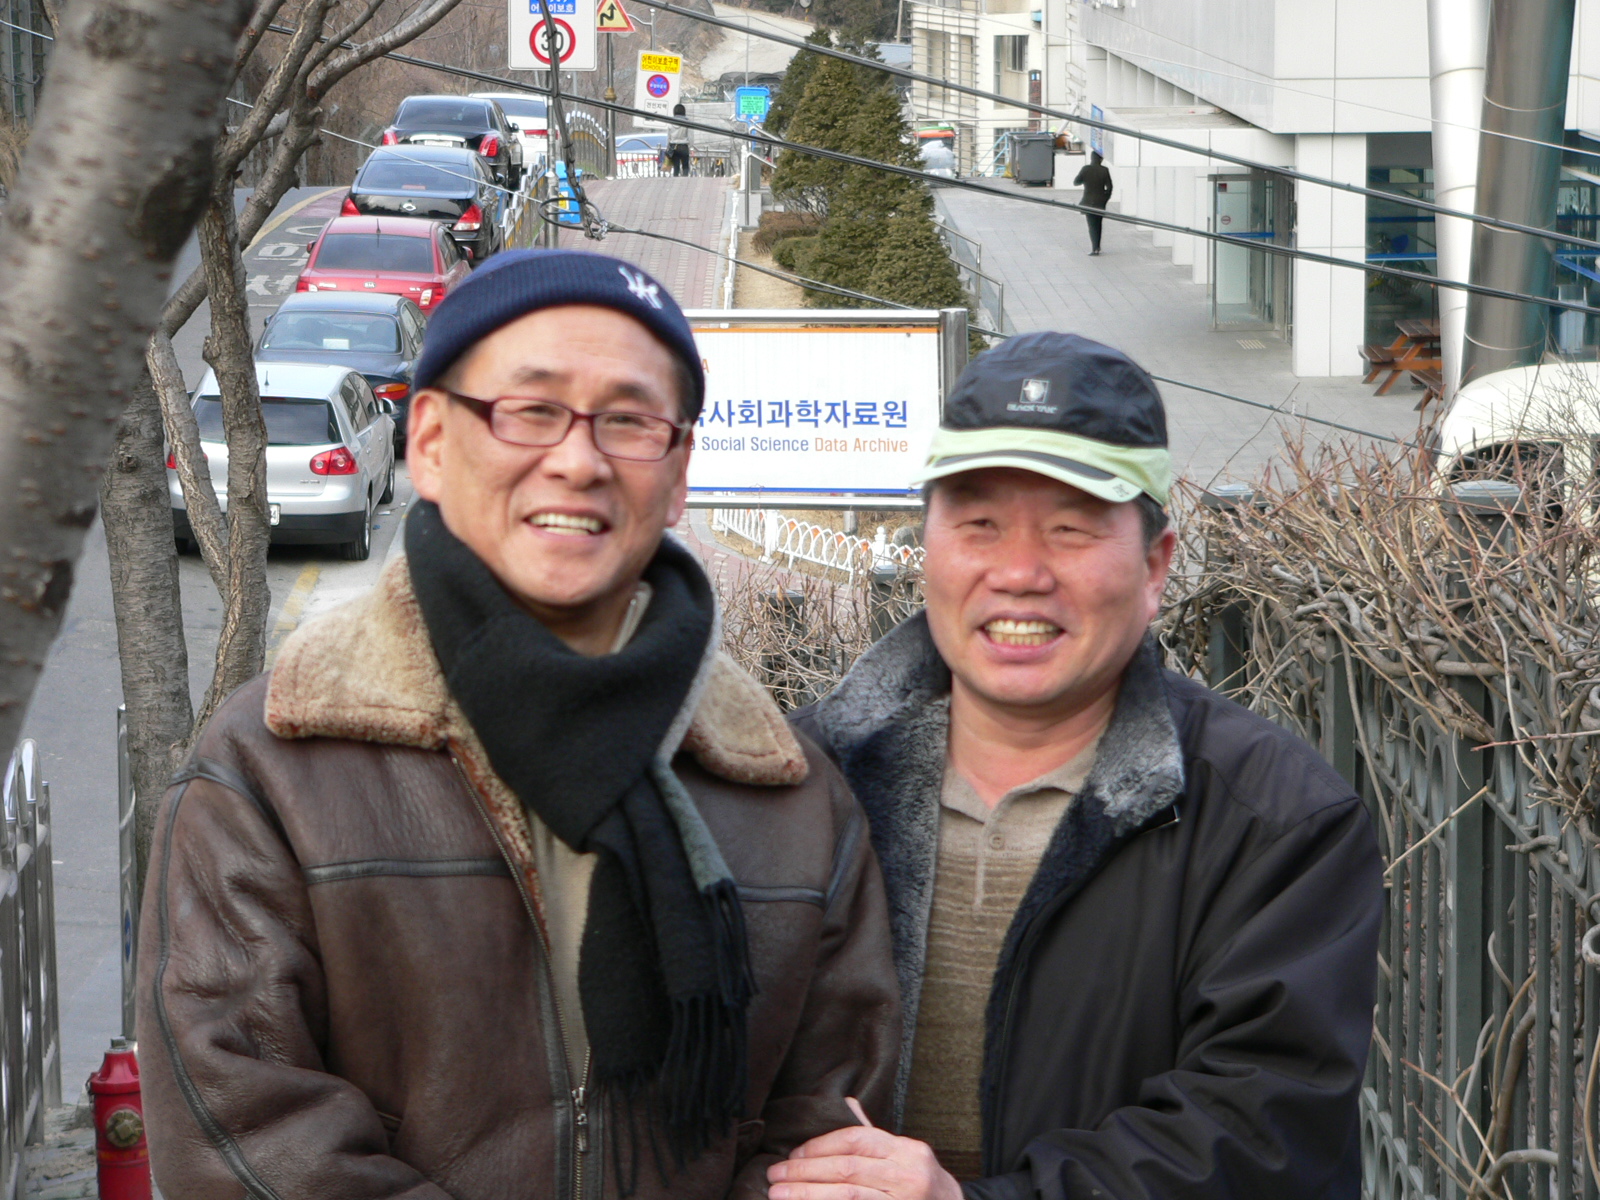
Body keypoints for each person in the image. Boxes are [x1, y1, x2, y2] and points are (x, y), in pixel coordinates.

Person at [137, 249, 901, 1200]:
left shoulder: (790, 793)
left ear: (677, 473)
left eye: (629, 421)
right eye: (530, 410)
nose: (577, 461)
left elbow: (828, 1142)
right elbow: (242, 1135)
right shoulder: (273, 767)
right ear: (430, 442)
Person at [775, 332, 1384, 1200]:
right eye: (979, 526)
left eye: (1071, 529)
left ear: (1155, 566)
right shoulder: (792, 786)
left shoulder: (1274, 822)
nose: (1020, 573)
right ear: (928, 547)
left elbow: (1261, 1141)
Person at [1072, 151, 1113, 255]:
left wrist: (1085, 179)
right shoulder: (1104, 170)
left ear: (1091, 158)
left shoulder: (1086, 169)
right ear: (1101, 159)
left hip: (1088, 201)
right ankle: (1097, 246)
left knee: (1091, 226)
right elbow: (1109, 187)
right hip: (1100, 202)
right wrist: (1105, 198)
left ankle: (1094, 248)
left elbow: (1076, 182)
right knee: (1098, 225)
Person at [668, 103, 691, 176]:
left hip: (673, 146)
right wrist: (690, 147)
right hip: (684, 146)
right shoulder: (687, 122)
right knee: (685, 166)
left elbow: (668, 137)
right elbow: (690, 136)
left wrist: (668, 147)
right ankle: (685, 179)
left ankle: (675, 180)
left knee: (676, 167)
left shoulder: (670, 122)